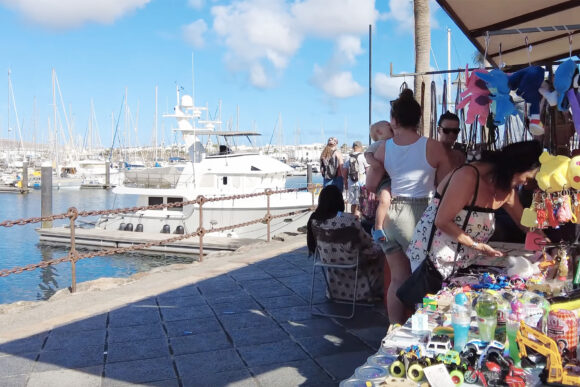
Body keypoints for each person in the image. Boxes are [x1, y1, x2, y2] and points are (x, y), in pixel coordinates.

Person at [401, 141, 544, 308]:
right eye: (527, 178)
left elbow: (525, 224)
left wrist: (546, 243)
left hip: (462, 261)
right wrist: (477, 245)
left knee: (457, 311)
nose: (526, 184)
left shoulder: (506, 191)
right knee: (432, 311)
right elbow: (442, 221)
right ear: (515, 168)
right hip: (432, 260)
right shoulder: (468, 176)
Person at [367, 88, 452, 324]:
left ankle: (394, 329)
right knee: (422, 277)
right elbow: (445, 186)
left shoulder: (385, 148)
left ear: (394, 120)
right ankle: (420, 330)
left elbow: (371, 184)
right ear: (418, 119)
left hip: (391, 216)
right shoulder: (434, 147)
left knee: (397, 278)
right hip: (422, 214)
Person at [307, 185, 388, 304]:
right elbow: (366, 242)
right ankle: (373, 290)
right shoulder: (349, 220)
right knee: (383, 250)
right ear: (339, 201)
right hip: (352, 261)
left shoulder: (314, 220)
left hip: (328, 261)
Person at [364, 121, 394, 242]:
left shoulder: (393, 142)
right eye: (388, 125)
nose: (391, 125)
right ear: (380, 132)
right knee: (384, 199)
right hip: (384, 179)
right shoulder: (379, 144)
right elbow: (367, 155)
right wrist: (375, 163)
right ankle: (378, 227)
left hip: (392, 177)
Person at [342, 141, 368, 217]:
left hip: (351, 182)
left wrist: (345, 183)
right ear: (360, 147)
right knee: (361, 201)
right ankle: (359, 218)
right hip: (362, 183)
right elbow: (368, 169)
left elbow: (344, 171)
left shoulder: (348, 157)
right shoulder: (363, 157)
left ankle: (353, 218)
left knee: (353, 202)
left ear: (353, 147)